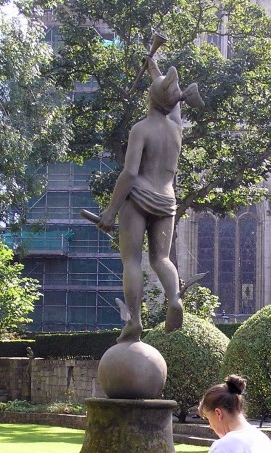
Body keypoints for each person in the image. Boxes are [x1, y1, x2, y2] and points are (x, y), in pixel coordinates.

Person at [97, 56, 202, 342]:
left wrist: (110, 211)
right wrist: (152, 65)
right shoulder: (176, 127)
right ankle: (174, 298)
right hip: (167, 200)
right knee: (162, 258)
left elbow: (130, 173)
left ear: (151, 99)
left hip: (139, 198)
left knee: (131, 260)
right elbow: (171, 95)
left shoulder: (140, 129)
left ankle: (134, 321)